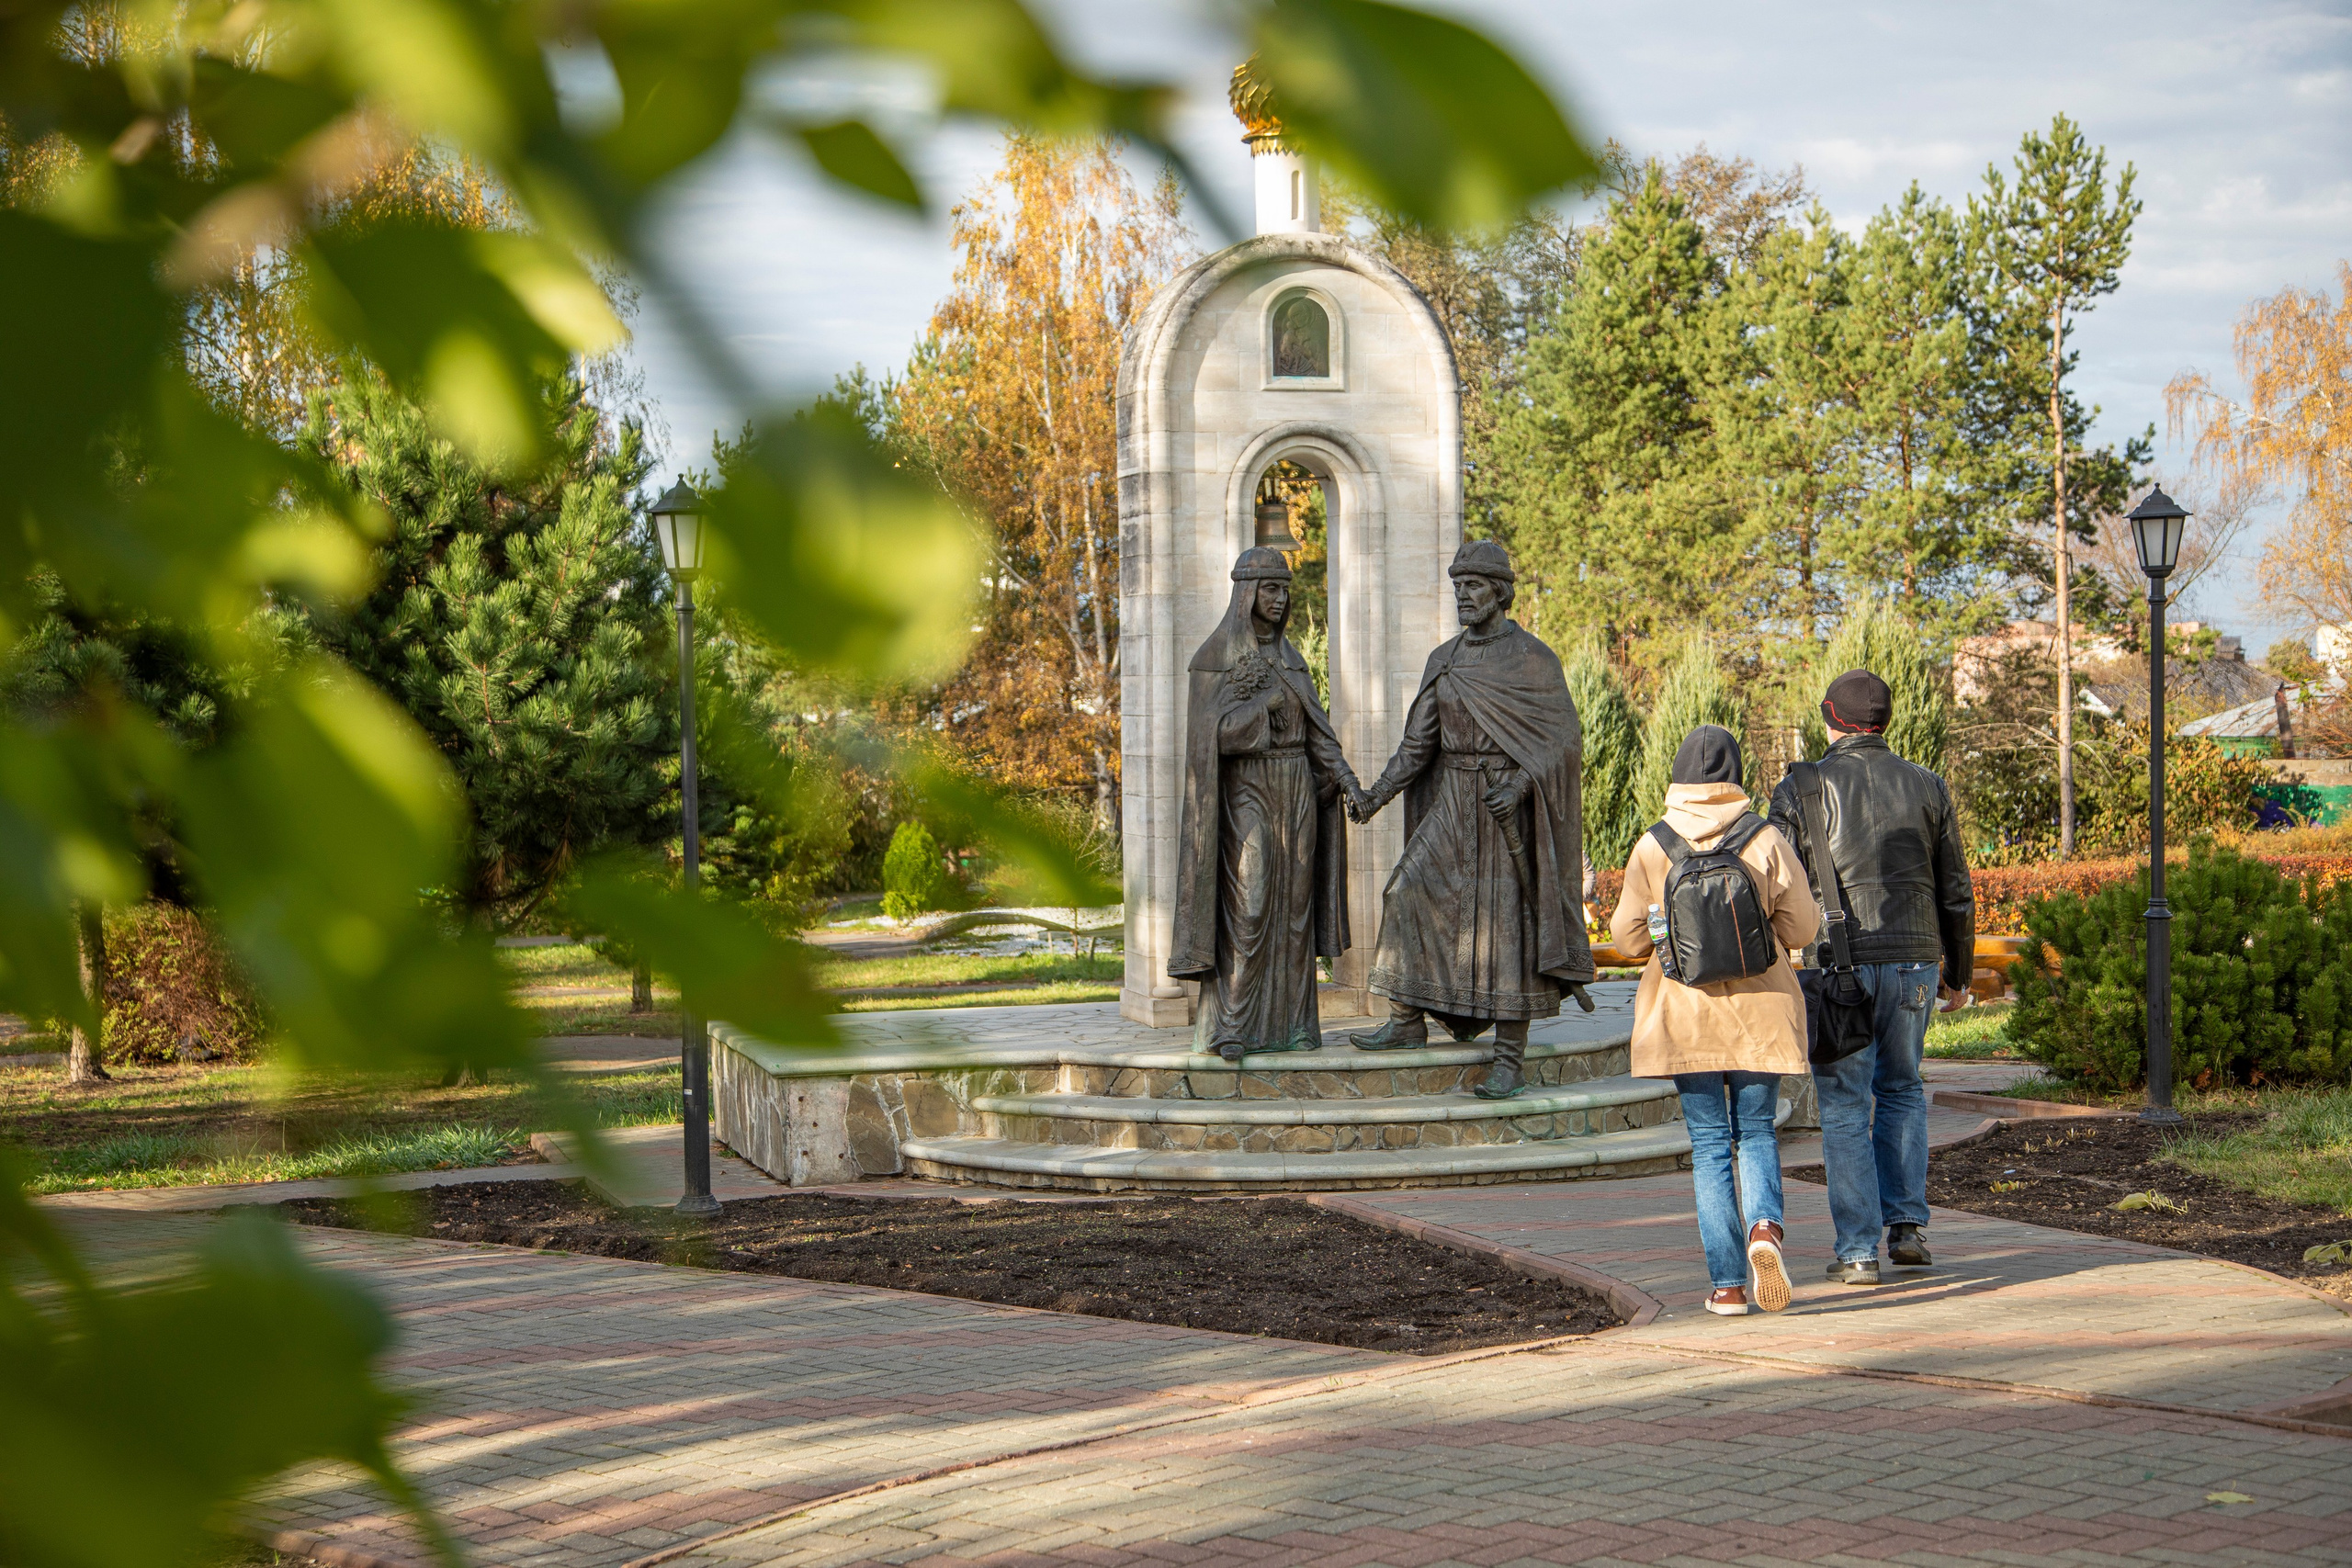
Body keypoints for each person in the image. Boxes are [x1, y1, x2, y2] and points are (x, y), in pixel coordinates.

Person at [1344, 539, 1594, 1098]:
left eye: (1474, 586)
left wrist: (1522, 784)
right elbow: (1417, 746)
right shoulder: (1446, 659)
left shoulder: (1534, 658)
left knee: (1508, 925)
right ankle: (1407, 1021)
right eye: (1458, 587)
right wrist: (1374, 795)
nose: (1463, 595)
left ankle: (1509, 1057)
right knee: (1404, 891)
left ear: (1501, 592)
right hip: (1453, 798)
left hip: (1506, 803)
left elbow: (1563, 741)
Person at [1768, 669, 1975, 1284]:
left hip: (1839, 966)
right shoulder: (1928, 784)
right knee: (1905, 1089)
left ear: (1830, 716)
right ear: (1886, 722)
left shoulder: (1802, 785)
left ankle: (1857, 1250)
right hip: (1915, 960)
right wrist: (1958, 974)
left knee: (1844, 1104)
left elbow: (1775, 881)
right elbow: (1956, 891)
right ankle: (1907, 1227)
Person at [1611, 726, 1819, 1316]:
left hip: (1684, 1014)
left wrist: (1662, 926)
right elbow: (1802, 930)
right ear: (1736, 776)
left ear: (1677, 776)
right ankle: (1764, 1231)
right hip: (1761, 1011)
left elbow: (1626, 940)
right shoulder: (1767, 839)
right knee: (1755, 1131)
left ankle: (1726, 1287)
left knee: (1707, 1146)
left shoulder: (1654, 845)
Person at [1168, 547, 1363, 1062]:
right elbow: (1209, 738)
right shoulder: (1215, 658)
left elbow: (1321, 735)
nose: (1280, 599)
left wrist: (1344, 779)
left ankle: (1296, 1024)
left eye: (1285, 589)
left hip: (1296, 787)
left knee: (1295, 906)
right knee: (1250, 904)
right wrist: (1263, 706)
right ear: (1246, 593)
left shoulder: (1292, 660)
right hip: (1247, 791)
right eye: (1270, 589)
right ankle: (1230, 1025)